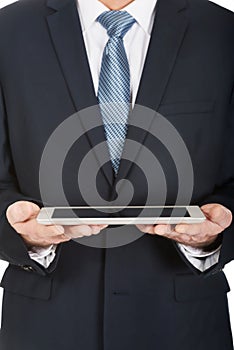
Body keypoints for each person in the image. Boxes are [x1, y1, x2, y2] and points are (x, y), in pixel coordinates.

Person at [0, 0, 233, 349]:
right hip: (46, 327)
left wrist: (212, 238)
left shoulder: (222, 32)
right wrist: (21, 232)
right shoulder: (10, 29)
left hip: (182, 327)